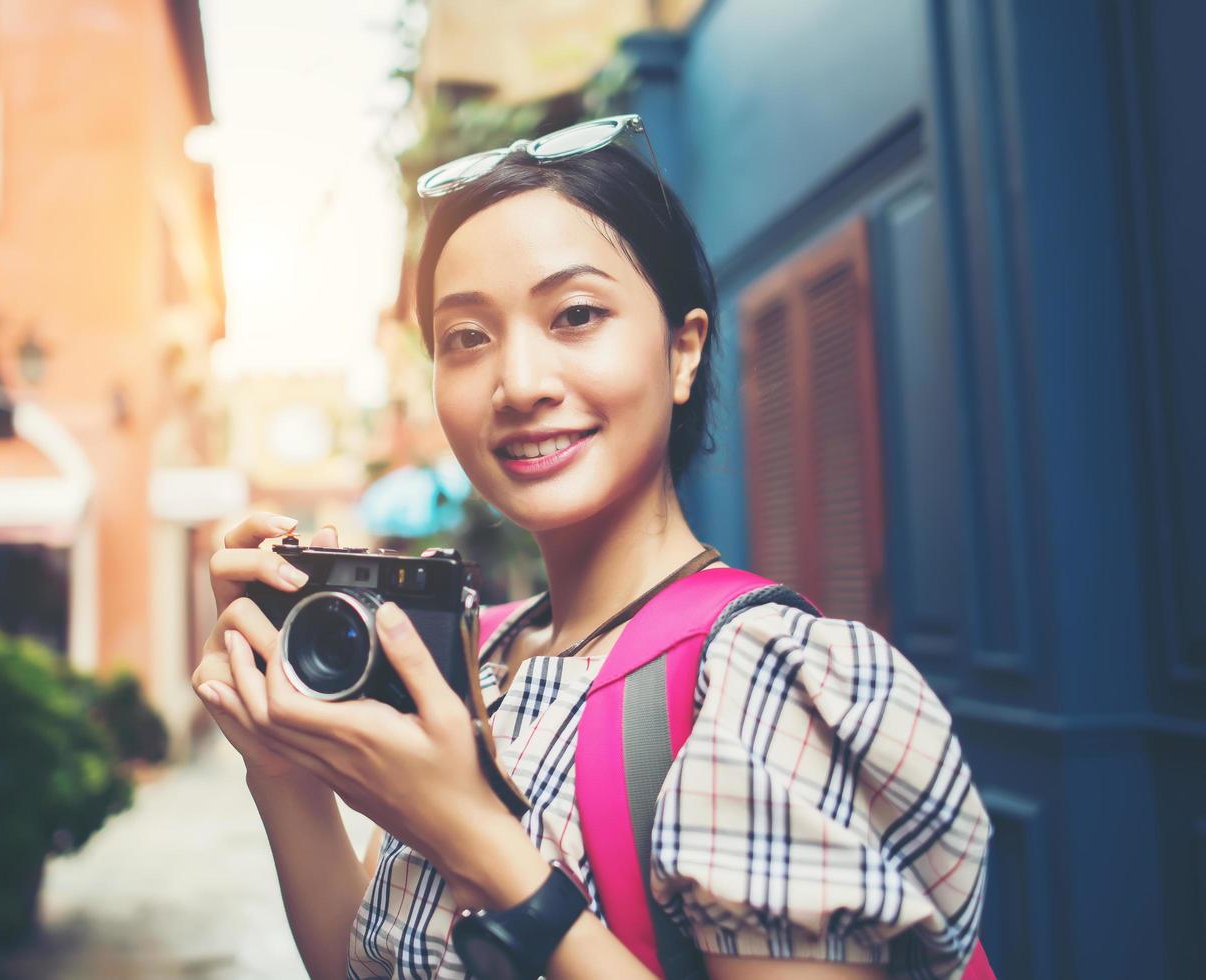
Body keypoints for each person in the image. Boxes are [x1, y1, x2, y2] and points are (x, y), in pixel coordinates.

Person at [192, 117, 990, 980]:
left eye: (575, 315)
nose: (520, 384)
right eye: (466, 337)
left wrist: (476, 841)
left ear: (683, 352)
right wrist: (281, 769)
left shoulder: (762, 680)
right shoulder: (472, 657)